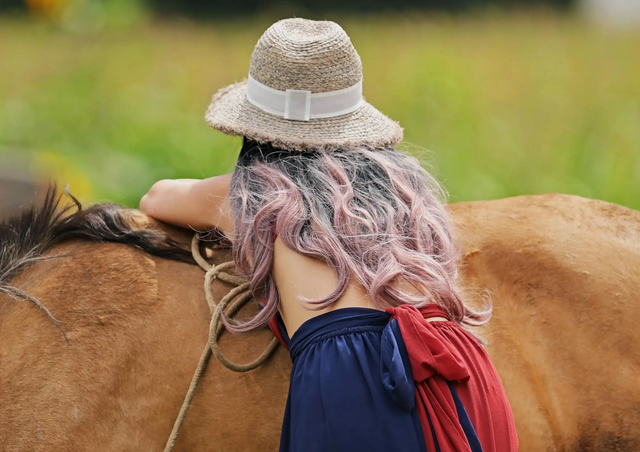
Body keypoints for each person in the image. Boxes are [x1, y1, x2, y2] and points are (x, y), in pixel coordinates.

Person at [140, 18, 519, 452]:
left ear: (254, 129)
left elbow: (157, 198)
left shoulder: (258, 195)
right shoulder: (405, 186)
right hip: (459, 364)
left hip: (351, 378)